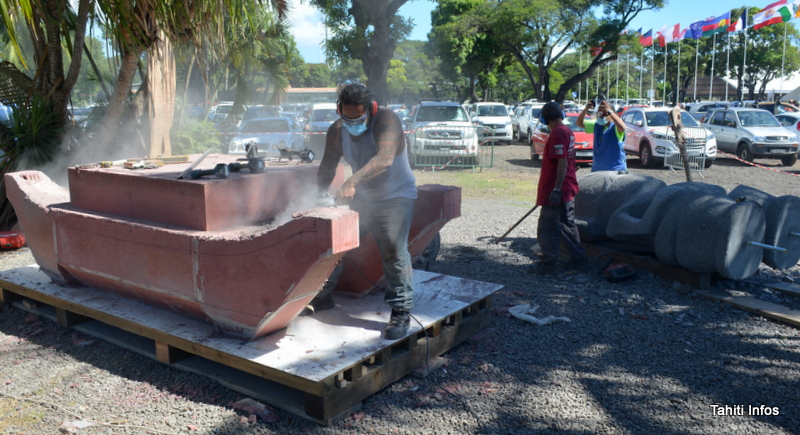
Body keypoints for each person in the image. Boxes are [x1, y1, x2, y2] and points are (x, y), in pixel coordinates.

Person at [311, 84, 418, 340]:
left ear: (370, 110)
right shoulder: (338, 130)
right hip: (365, 198)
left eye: (358, 118)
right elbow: (327, 164)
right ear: (339, 111)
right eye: (347, 117)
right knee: (338, 243)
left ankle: (401, 311)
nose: (352, 122)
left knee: (393, 247)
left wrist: (351, 182)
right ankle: (323, 297)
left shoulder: (387, 120)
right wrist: (320, 195)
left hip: (396, 196)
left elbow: (384, 160)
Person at [531, 102, 586, 275]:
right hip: (566, 187)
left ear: (545, 118)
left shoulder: (557, 133)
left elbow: (562, 161)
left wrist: (556, 189)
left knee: (547, 228)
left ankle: (547, 266)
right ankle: (578, 260)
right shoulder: (567, 131)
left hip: (557, 190)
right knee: (567, 225)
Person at [577, 99, 627, 173]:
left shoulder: (615, 127)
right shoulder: (597, 125)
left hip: (615, 170)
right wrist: (585, 109)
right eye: (599, 113)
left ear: (611, 115)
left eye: (604, 113)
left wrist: (609, 111)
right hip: (597, 170)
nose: (601, 116)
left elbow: (622, 127)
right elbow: (579, 123)